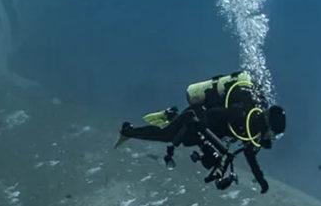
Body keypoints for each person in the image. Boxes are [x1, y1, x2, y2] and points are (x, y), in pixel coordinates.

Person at [117, 72, 286, 193]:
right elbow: (213, 114)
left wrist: (262, 180)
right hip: (198, 117)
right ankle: (128, 131)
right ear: (268, 125)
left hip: (208, 130)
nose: (271, 138)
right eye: (273, 133)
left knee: (188, 142)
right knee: (166, 135)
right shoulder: (241, 113)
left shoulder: (252, 129)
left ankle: (172, 116)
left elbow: (250, 155)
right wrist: (200, 131)